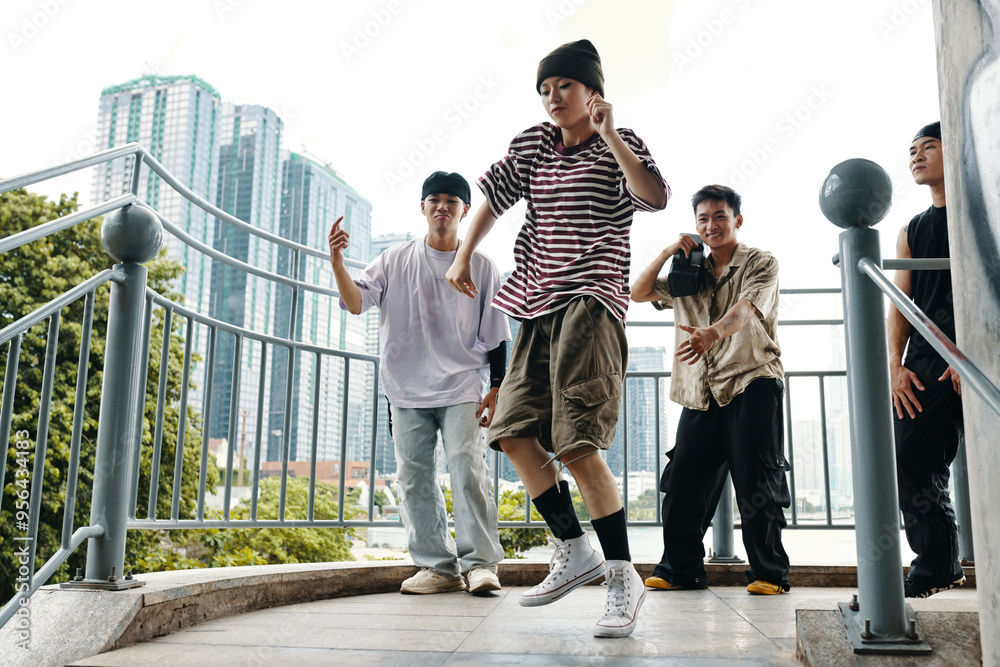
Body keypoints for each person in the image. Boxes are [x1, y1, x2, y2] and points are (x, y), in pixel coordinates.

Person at [445, 39, 669, 638]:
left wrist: (613, 135)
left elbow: (654, 196)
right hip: (535, 306)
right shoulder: (532, 144)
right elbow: (492, 195)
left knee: (576, 441)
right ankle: (575, 547)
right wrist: (465, 255)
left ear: (591, 90)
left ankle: (623, 576)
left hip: (591, 301)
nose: (552, 99)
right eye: (545, 90)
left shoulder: (621, 145)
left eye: (563, 87)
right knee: (513, 432)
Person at [327, 171, 510, 595]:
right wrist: (337, 263)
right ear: (423, 207)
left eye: (452, 201)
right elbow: (355, 303)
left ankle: (481, 564)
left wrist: (497, 386)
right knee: (414, 477)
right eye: (434, 200)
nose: (442, 207)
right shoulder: (394, 258)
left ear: (465, 210)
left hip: (463, 384)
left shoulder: (480, 265)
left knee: (468, 468)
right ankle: (438, 568)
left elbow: (498, 334)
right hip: (405, 387)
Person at [631, 184, 791, 596]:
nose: (711, 225)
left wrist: (713, 333)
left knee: (758, 480)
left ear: (737, 219)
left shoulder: (760, 262)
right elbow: (639, 291)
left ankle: (769, 573)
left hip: (751, 379)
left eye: (720, 216)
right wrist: (669, 252)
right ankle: (680, 569)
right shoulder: (690, 270)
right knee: (684, 478)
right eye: (703, 218)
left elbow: (748, 308)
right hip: (700, 390)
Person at [887, 121, 965, 598]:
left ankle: (943, 562)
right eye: (911, 150)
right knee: (911, 456)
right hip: (922, 364)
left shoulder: (982, 211)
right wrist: (895, 366)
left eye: (928, 148)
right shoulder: (911, 229)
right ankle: (938, 563)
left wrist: (974, 356)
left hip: (975, 358)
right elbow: (900, 306)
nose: (916, 156)